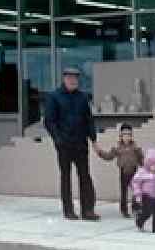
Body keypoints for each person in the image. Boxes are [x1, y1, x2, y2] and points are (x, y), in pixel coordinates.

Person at [44, 67, 101, 221]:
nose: (73, 81)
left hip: (81, 143)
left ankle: (87, 210)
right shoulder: (54, 96)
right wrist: (58, 139)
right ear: (64, 79)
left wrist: (93, 140)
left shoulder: (83, 97)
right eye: (70, 78)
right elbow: (49, 121)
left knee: (85, 176)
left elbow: (89, 120)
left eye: (75, 78)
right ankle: (68, 210)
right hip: (64, 145)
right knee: (66, 177)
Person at [96, 122, 144, 218]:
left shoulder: (135, 148)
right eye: (124, 135)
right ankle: (124, 210)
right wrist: (100, 152)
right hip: (123, 172)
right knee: (124, 192)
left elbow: (141, 159)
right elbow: (108, 156)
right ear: (121, 136)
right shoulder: (117, 148)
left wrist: (146, 165)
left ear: (131, 136)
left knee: (137, 190)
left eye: (129, 135)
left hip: (134, 171)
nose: (126, 137)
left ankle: (136, 207)